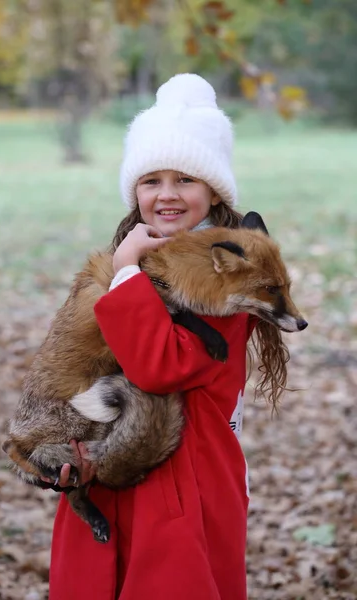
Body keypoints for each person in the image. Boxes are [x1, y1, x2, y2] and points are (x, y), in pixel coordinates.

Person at [47, 73, 288, 600]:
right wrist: (68, 448)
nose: (167, 195)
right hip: (114, 475)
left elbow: (159, 367)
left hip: (184, 484)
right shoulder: (137, 262)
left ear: (214, 191)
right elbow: (83, 369)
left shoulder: (224, 275)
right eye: (151, 179)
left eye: (185, 179)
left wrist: (127, 271)